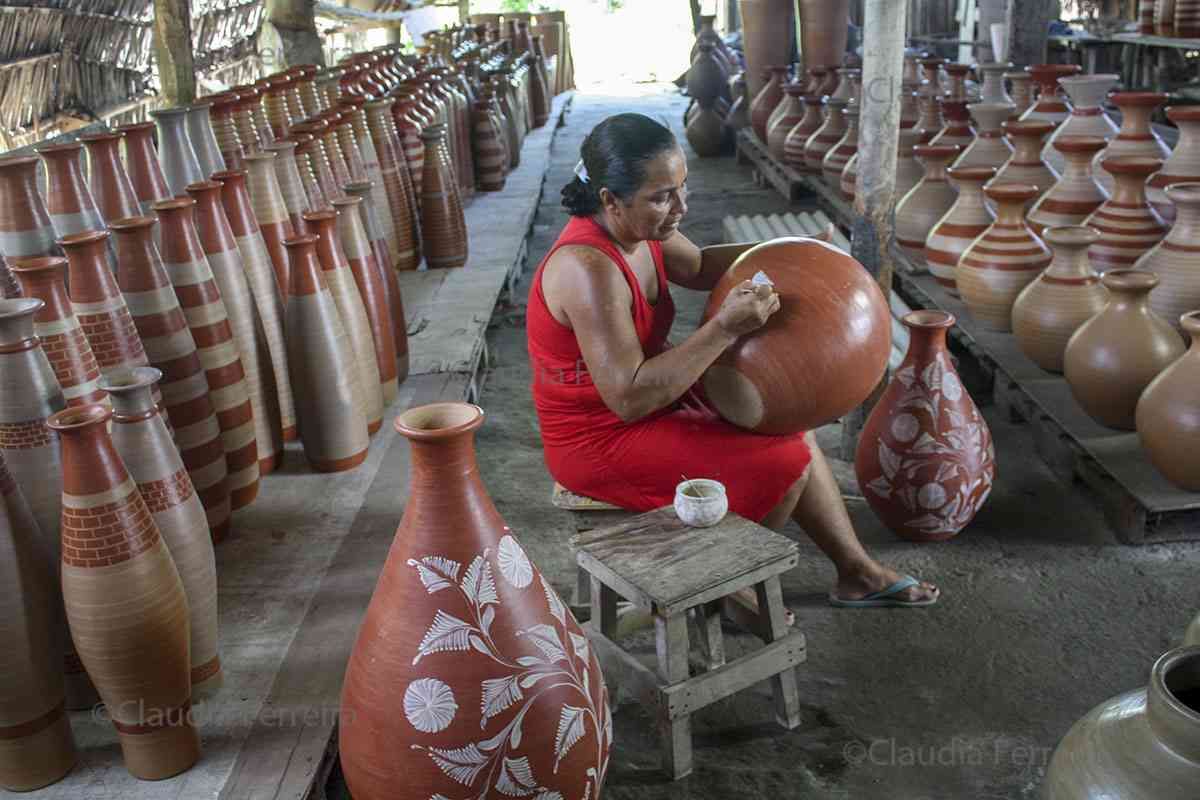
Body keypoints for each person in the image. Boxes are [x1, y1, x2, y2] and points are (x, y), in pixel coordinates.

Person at [526, 113, 939, 608]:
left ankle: (856, 572)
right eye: (662, 197)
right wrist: (724, 327)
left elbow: (699, 266)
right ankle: (720, 587)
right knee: (784, 460)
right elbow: (629, 398)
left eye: (682, 188)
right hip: (598, 434)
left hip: (653, 395)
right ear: (609, 199)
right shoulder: (587, 268)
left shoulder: (644, 227)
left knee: (785, 419)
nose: (679, 207)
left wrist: (796, 251)